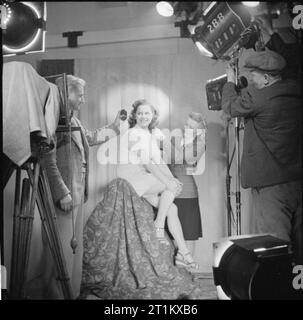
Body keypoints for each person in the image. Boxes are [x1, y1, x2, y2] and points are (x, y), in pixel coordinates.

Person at [41, 75, 123, 299]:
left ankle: (71, 293)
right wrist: (62, 192)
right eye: (80, 95)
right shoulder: (53, 119)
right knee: (59, 249)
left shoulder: (73, 121)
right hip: (65, 196)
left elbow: (90, 137)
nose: (83, 100)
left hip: (77, 193)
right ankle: (55, 294)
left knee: (73, 250)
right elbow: (47, 160)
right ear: (67, 94)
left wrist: (114, 128)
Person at [221, 49, 302, 265]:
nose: (252, 80)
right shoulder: (296, 89)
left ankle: (279, 291)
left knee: (275, 243)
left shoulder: (258, 97)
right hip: (297, 180)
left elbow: (229, 107)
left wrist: (230, 82)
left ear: (266, 78)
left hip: (271, 185)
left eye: (254, 75)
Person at [116, 99, 198, 269]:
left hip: (145, 179)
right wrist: (168, 182)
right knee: (169, 188)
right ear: (135, 116)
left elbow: (158, 161)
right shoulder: (133, 133)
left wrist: (173, 179)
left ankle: (183, 253)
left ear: (153, 115)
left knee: (172, 208)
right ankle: (158, 225)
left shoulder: (149, 135)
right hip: (131, 178)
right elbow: (147, 163)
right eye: (139, 113)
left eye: (147, 113)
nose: (143, 116)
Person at [163, 112, 207, 257]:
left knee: (188, 235)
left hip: (187, 194)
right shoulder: (176, 139)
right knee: (171, 237)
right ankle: (175, 274)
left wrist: (164, 143)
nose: (186, 128)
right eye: (187, 124)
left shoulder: (200, 143)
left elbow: (184, 158)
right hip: (169, 191)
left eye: (191, 127)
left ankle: (188, 272)